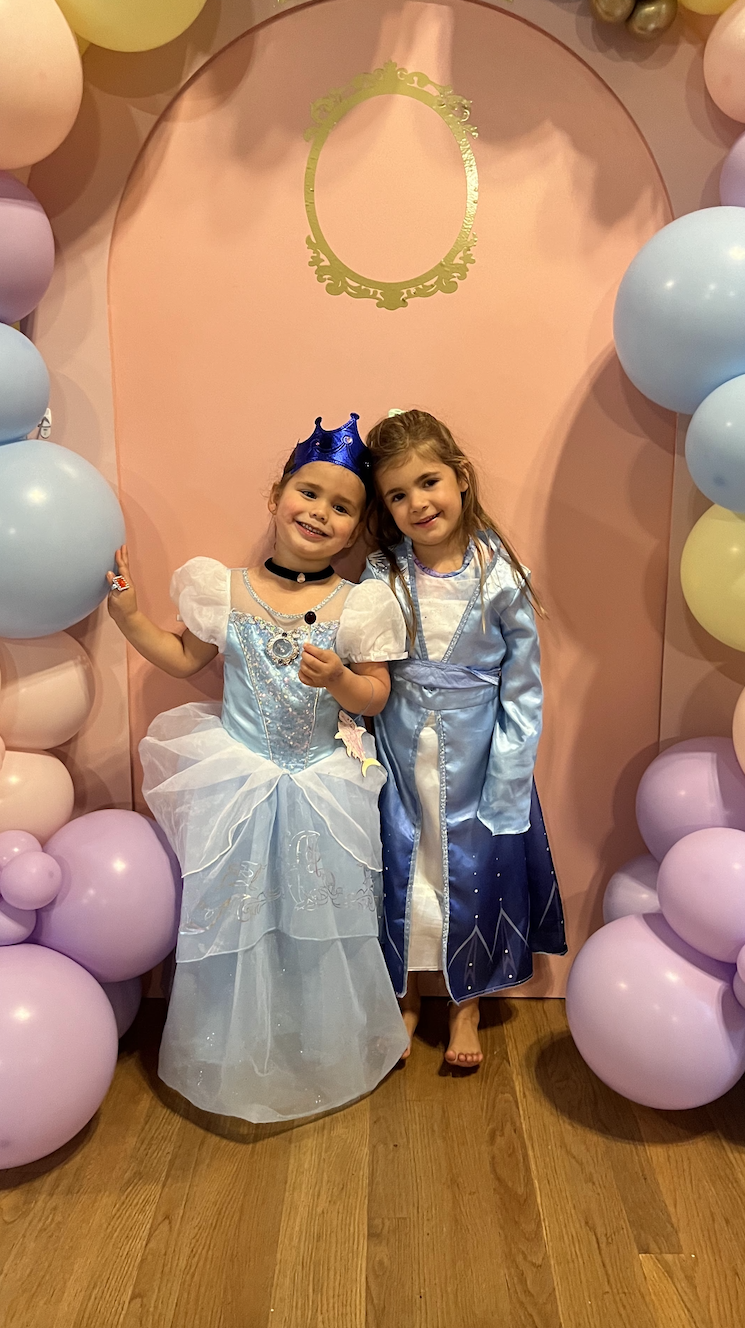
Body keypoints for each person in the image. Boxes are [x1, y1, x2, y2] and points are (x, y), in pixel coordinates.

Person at [105, 414, 409, 1122]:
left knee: (321, 920)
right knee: (234, 916)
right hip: (238, 779)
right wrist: (129, 620)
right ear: (277, 495)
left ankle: (322, 1045)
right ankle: (229, 1047)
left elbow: (376, 693)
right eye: (309, 494)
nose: (320, 513)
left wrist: (338, 678)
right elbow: (187, 659)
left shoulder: (354, 604)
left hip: (318, 783)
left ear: (357, 529)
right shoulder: (226, 588)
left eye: (342, 508)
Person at [362, 409, 566, 1069]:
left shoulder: (501, 576)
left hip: (477, 763)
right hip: (399, 755)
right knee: (406, 872)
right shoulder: (381, 575)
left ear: (460, 478)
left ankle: (467, 1002)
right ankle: (407, 993)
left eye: (429, 482)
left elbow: (523, 687)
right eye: (398, 494)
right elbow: (366, 662)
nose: (418, 503)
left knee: (471, 878)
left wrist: (507, 779)